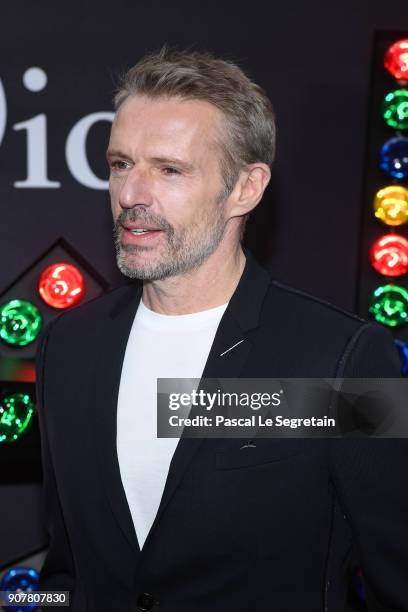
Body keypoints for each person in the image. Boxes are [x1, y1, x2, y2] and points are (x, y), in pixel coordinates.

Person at [36, 47, 408, 612]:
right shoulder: (71, 346)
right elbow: (64, 573)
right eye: (120, 165)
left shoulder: (341, 358)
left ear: (246, 188)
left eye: (169, 169)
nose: (132, 195)